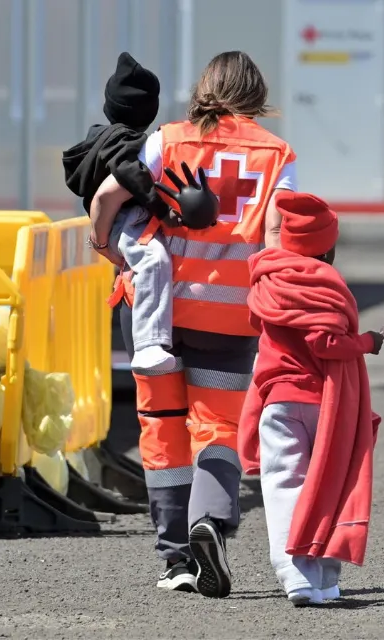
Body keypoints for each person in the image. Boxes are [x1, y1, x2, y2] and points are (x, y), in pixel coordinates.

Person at [89, 51, 297, 598]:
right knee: (218, 431)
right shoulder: (277, 155)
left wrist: (106, 248)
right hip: (231, 318)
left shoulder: (169, 139)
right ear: (256, 94)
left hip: (158, 312)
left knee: (161, 428)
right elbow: (279, 231)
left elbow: (108, 196)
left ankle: (176, 559)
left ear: (204, 88)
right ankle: (211, 520)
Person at [238, 192, 384, 607]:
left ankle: (294, 575)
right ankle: (326, 580)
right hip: (325, 403)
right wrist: (368, 342)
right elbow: (326, 342)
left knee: (285, 483)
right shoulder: (326, 284)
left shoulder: (266, 276)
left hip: (278, 401)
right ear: (328, 247)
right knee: (331, 483)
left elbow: (272, 239)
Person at [63, 52, 214, 374]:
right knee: (153, 259)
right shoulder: (128, 145)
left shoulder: (101, 138)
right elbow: (128, 180)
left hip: (119, 221)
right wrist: (160, 210)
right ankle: (149, 344)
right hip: (124, 219)